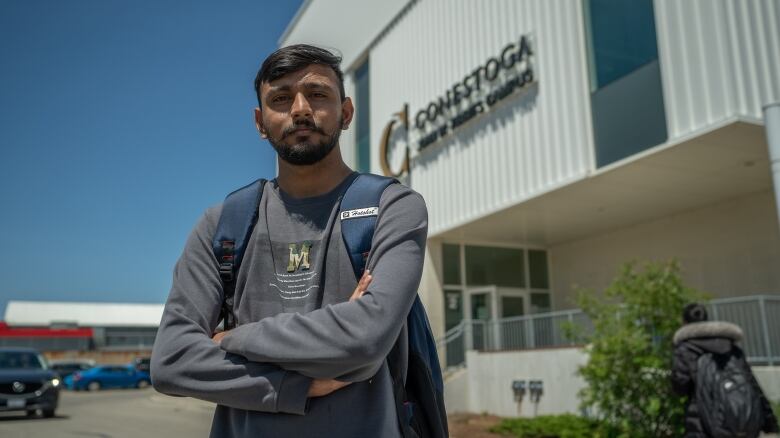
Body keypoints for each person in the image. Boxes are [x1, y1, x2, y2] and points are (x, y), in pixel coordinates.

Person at [150, 44, 428, 437]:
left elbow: (365, 342)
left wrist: (230, 338)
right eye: (281, 98)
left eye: (317, 94)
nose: (300, 108)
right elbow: (171, 360)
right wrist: (293, 385)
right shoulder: (223, 225)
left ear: (345, 113)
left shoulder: (392, 207)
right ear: (260, 122)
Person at [671, 303, 778, 438]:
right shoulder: (731, 347)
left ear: (684, 321)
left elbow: (680, 387)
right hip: (736, 421)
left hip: (701, 422)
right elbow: (752, 384)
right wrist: (770, 423)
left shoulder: (685, 349)